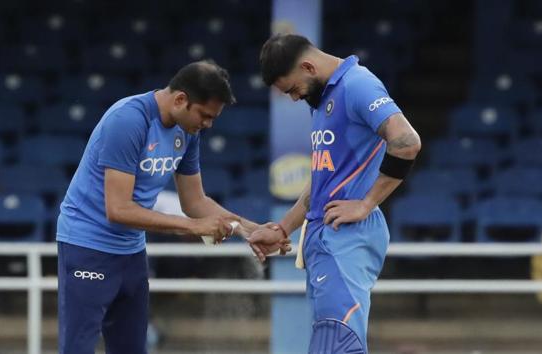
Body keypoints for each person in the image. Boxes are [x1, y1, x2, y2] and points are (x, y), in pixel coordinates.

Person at [56, 60, 290, 354]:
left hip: (131, 252)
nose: (208, 125)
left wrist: (251, 230)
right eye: (205, 115)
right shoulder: (128, 120)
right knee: (77, 349)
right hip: (87, 247)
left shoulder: (188, 131)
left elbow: (195, 203)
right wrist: (193, 227)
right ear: (180, 99)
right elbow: (118, 210)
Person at [249, 34, 422, 353]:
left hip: (346, 239)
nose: (292, 98)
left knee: (337, 343)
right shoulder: (322, 100)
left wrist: (366, 204)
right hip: (324, 239)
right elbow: (322, 180)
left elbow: (407, 142)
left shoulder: (358, 85)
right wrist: (284, 228)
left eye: (291, 89)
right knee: (331, 342)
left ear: (307, 66)